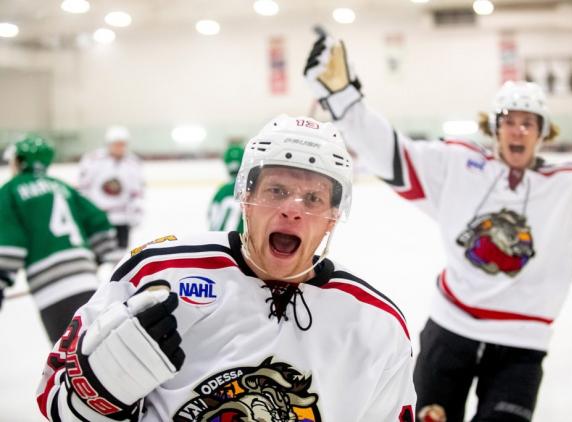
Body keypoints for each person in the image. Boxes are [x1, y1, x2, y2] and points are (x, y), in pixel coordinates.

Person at [304, 35, 572, 422]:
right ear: (494, 128)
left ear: (543, 132)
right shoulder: (459, 167)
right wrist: (342, 97)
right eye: (509, 122)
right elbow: (390, 152)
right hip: (449, 332)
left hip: (521, 347)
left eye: (529, 123)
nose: (518, 131)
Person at [36, 115, 416, 422]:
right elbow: (53, 395)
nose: (292, 209)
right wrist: (97, 398)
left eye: (313, 198)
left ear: (333, 217)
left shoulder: (375, 326)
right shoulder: (157, 274)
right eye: (277, 191)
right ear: (246, 198)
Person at [0, 134, 119, 343]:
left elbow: (9, 241)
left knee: (69, 362)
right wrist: (98, 257)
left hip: (52, 291)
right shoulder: (62, 187)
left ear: (20, 161)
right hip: (88, 282)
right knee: (100, 352)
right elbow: (99, 220)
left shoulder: (10, 191)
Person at [78, 125, 144, 253]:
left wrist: (136, 212)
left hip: (122, 218)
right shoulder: (93, 160)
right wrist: (86, 214)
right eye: (116, 144)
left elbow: (137, 192)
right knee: (95, 254)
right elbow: (83, 188)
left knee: (120, 256)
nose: (120, 148)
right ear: (108, 144)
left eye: (122, 144)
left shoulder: (133, 163)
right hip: (98, 218)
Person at [207, 143, 244, 232]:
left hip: (216, 241)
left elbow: (211, 215)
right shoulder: (253, 189)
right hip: (241, 243)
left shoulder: (222, 191)